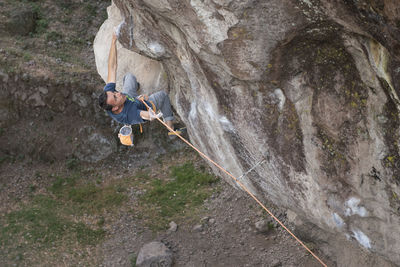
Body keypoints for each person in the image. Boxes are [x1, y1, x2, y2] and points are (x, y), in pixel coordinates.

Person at [98, 32, 181, 135]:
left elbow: (112, 67)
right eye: (115, 97)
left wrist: (113, 41)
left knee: (129, 77)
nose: (117, 93)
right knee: (163, 96)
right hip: (142, 106)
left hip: (131, 98)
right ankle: (170, 128)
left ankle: (136, 90)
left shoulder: (109, 95)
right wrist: (152, 114)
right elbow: (145, 115)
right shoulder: (129, 114)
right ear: (115, 108)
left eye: (114, 93)